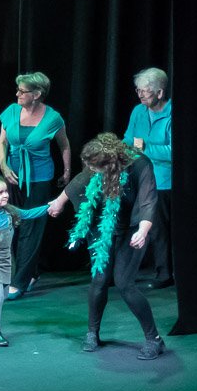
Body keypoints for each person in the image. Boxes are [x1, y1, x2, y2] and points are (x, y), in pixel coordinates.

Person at [47, 133, 165, 359]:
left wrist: (142, 231)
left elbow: (148, 201)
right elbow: (80, 180)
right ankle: (92, 333)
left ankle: (154, 339)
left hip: (133, 229)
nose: (92, 170)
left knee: (124, 284)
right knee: (99, 280)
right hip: (104, 228)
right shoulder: (97, 164)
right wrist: (59, 202)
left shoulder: (140, 165)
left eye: (96, 167)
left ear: (110, 162)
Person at [0, 71, 72, 299]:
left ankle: (19, 281)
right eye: (18, 90)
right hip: (13, 177)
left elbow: (64, 145)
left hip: (39, 178)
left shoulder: (53, 118)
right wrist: (4, 166)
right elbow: (2, 142)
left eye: (22, 91)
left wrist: (67, 171)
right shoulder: (11, 111)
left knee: (32, 227)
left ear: (37, 94)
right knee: (13, 225)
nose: (17, 94)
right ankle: (32, 272)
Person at [0, 175, 53, 347]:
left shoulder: (8, 211)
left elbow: (28, 214)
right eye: (0, 192)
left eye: (6, 191)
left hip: (5, 261)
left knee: (4, 294)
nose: (6, 195)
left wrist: (51, 206)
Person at [124, 67, 173, 289]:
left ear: (160, 93)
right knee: (141, 226)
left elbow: (174, 152)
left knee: (160, 230)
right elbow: (128, 140)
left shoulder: (172, 114)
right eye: (138, 90)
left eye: (144, 91)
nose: (140, 95)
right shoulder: (138, 111)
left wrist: (145, 148)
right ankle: (132, 270)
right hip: (139, 178)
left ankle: (164, 274)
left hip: (164, 182)